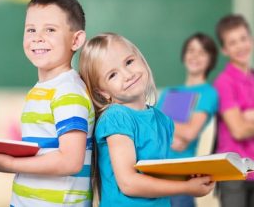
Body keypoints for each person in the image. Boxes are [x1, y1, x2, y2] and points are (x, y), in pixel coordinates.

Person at [0, 0, 95, 207]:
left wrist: (10, 163)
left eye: (50, 29)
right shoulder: (42, 90)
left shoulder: (69, 92)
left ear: (76, 40)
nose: (37, 37)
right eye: (31, 29)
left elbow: (70, 161)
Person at [79, 32, 215, 207]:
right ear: (102, 93)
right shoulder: (116, 117)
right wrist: (186, 187)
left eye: (129, 62)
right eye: (112, 75)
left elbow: (160, 172)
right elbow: (128, 183)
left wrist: (193, 177)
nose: (127, 74)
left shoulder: (162, 119)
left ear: (141, 59)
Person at [156, 33, 219, 207]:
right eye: (191, 50)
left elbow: (190, 132)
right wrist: (171, 133)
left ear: (210, 59)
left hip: (181, 177)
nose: (195, 56)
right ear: (184, 55)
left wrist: (164, 125)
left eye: (202, 52)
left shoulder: (208, 93)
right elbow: (152, 125)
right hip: (154, 175)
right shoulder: (170, 92)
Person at [214, 14, 254, 207]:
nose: (240, 46)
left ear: (251, 40)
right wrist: (243, 120)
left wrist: (249, 117)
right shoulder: (224, 82)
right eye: (232, 42)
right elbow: (238, 130)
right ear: (224, 49)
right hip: (233, 173)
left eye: (243, 39)